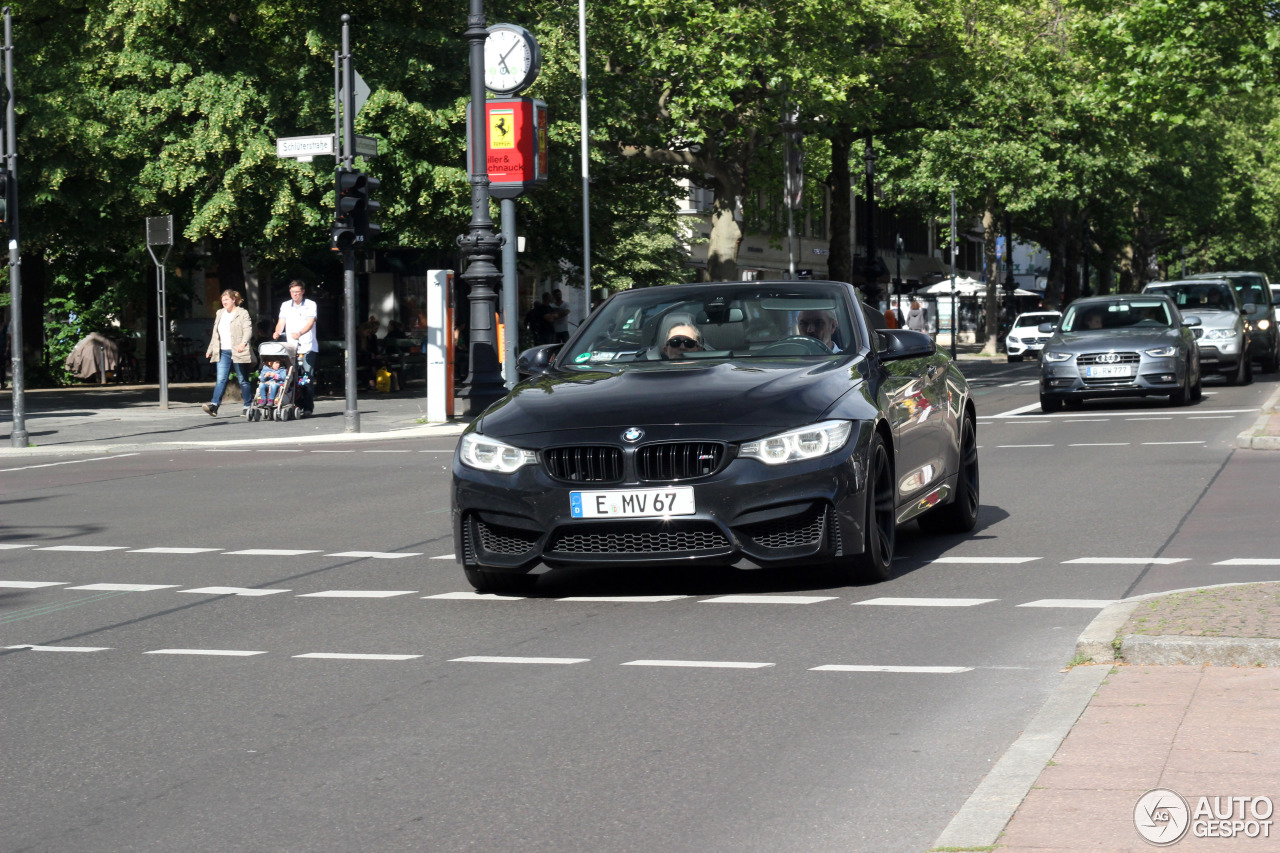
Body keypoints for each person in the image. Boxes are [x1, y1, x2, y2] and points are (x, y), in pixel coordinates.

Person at [203, 288, 254, 417]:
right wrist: (210, 350)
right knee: (221, 379)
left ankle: (248, 405)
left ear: (233, 299)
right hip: (223, 351)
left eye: (226, 299)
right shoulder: (220, 313)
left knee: (243, 380)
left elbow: (248, 330)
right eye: (222, 300)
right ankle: (214, 406)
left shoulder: (242, 313)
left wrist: (243, 343)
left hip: (238, 350)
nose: (224, 302)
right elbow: (215, 334)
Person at [274, 280, 317, 416]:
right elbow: (281, 322)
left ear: (303, 292)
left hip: (307, 346)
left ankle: (308, 407)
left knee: (306, 378)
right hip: (291, 347)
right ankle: (295, 404)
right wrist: (277, 332)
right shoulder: (285, 305)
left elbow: (310, 323)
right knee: (291, 377)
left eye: (297, 292)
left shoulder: (310, 305)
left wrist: (300, 333)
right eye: (292, 292)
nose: (295, 295)